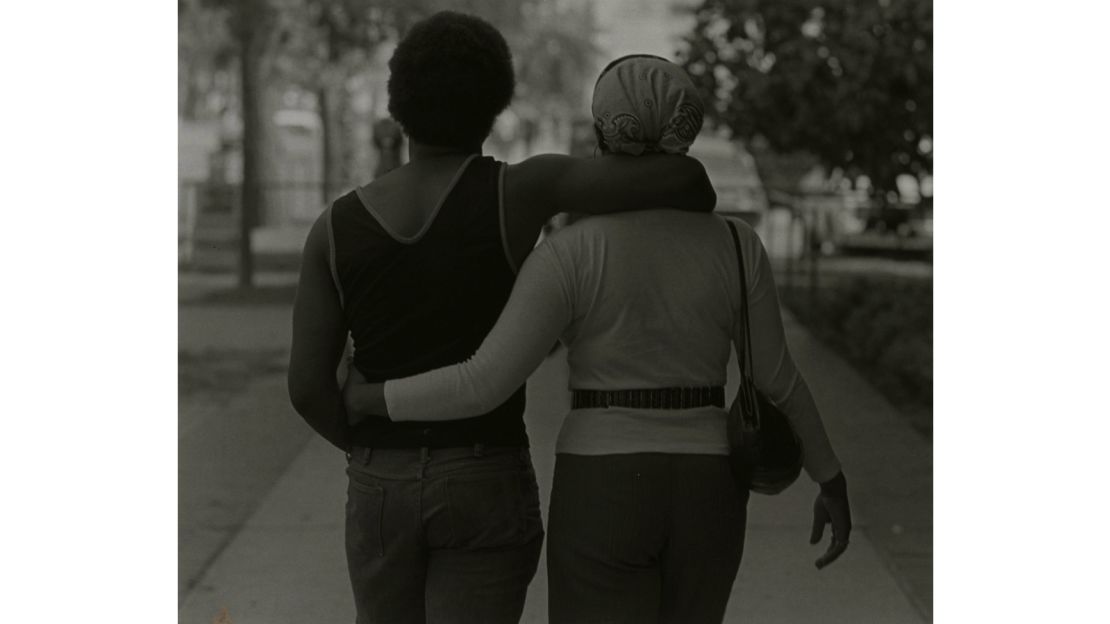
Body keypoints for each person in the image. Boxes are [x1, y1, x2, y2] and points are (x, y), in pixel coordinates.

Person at [342, 55, 852, 624]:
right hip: (711, 484)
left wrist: (372, 396)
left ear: (603, 128)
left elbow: (482, 383)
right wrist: (829, 477)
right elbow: (777, 379)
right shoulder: (738, 244)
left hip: (603, 482)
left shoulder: (571, 251)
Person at [286, 14, 717, 624]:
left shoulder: (332, 229)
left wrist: (376, 452)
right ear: (495, 107)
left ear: (398, 104)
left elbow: (306, 387)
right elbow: (688, 179)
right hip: (485, 473)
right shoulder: (520, 191)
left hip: (381, 482)